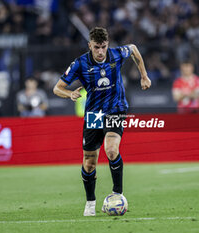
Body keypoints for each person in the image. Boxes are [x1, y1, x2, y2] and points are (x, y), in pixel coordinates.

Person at [53, 27, 151, 216]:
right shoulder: (80, 64)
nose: (100, 51)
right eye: (96, 47)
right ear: (90, 45)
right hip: (94, 114)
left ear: (108, 45)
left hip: (116, 109)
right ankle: (90, 202)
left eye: (103, 47)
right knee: (89, 162)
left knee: (111, 149)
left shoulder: (116, 54)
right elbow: (57, 88)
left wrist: (144, 75)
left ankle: (118, 194)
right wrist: (69, 94)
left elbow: (134, 49)